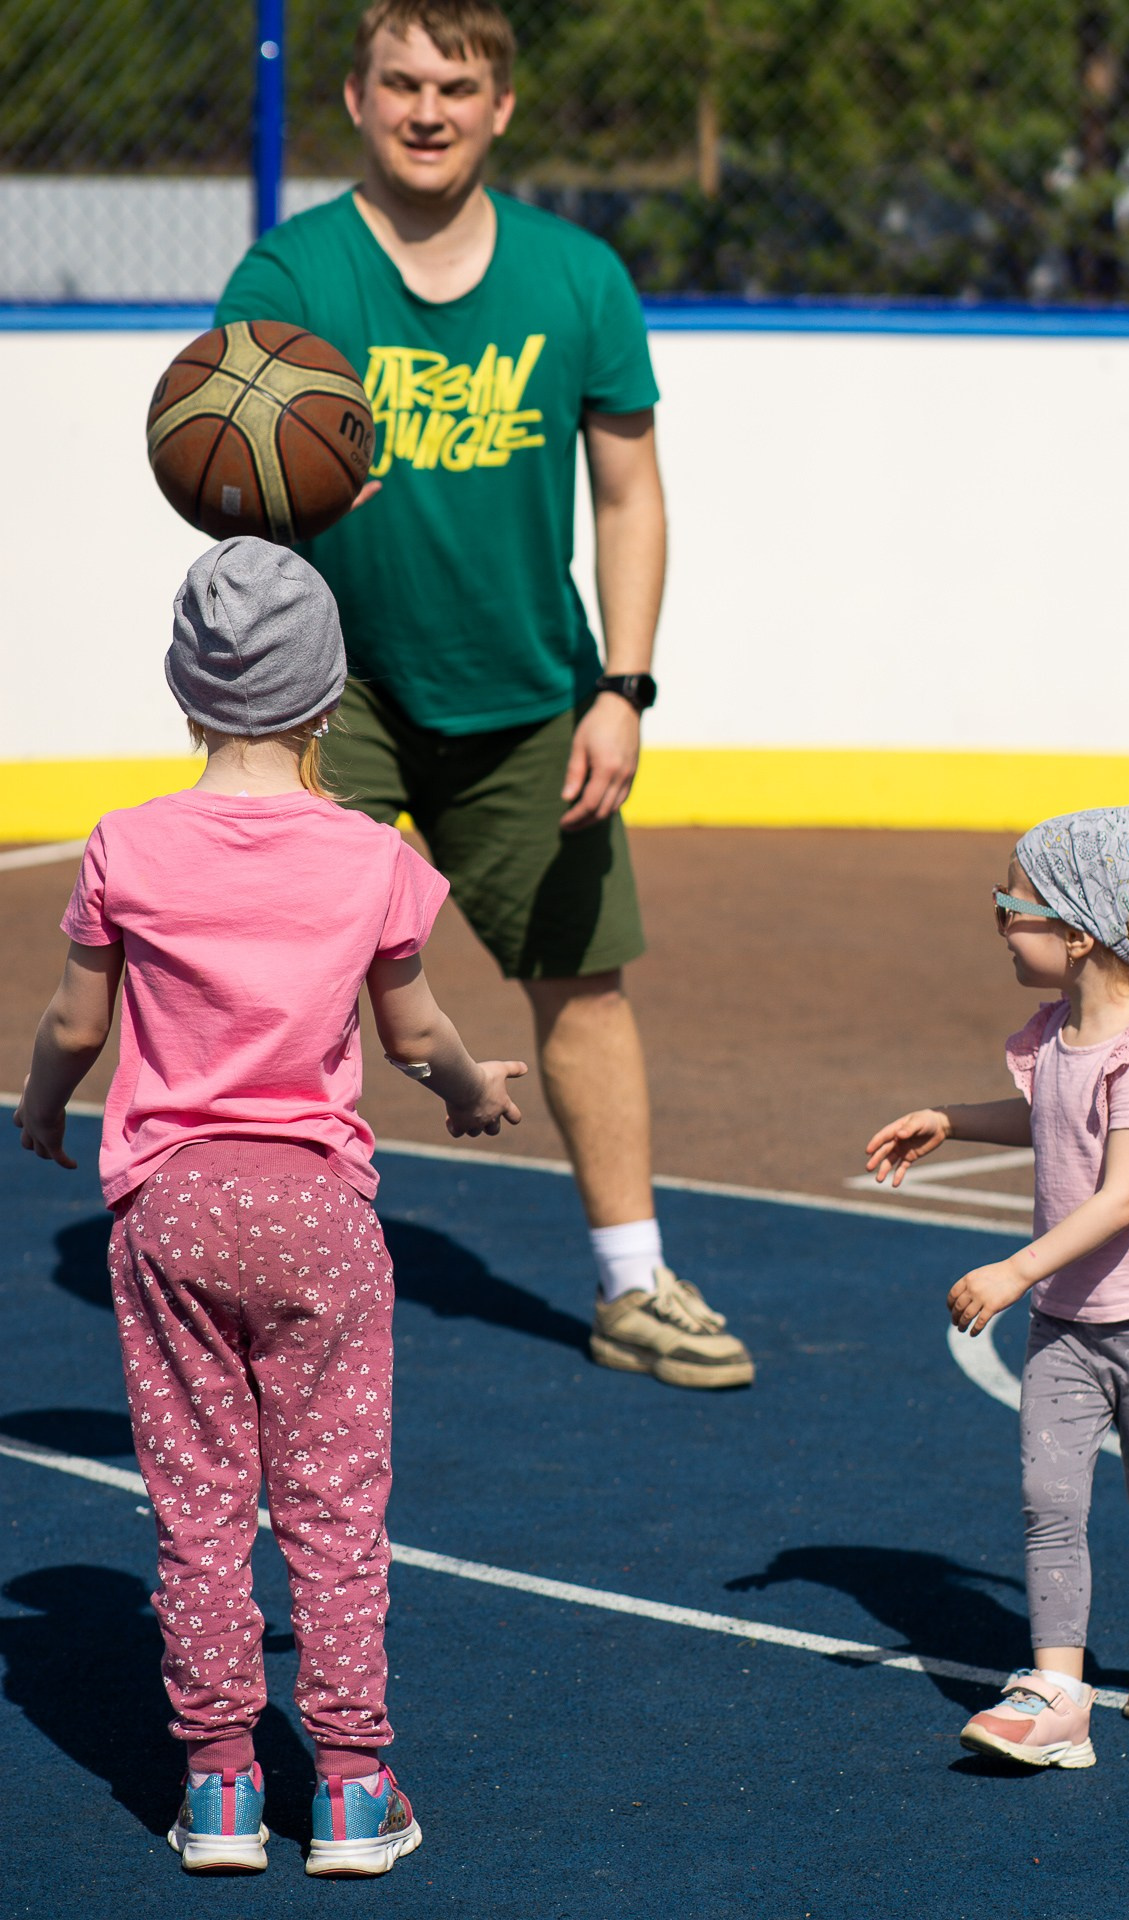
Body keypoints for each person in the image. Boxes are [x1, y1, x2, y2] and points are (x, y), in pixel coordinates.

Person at [214, 0, 753, 1390]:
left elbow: (628, 495)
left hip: (529, 695)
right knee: (281, 984)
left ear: (500, 106)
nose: (428, 110)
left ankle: (632, 1284)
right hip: (330, 695)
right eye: (401, 82)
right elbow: (221, 480)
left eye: (456, 87)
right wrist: (286, 498)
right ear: (355, 96)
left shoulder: (577, 278)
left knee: (582, 984)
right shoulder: (290, 273)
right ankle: (256, 1280)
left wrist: (623, 688)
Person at [14, 537, 527, 1875]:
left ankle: (220, 1789)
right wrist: (473, 1089)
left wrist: (43, 1105)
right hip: (318, 1215)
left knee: (197, 1508)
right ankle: (351, 1789)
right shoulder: (372, 855)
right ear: (331, 696)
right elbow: (414, 1033)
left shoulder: (126, 843)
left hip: (172, 1208)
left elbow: (75, 1021)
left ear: (185, 689)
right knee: (333, 1509)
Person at [865, 800, 1129, 1769]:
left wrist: (1015, 1267)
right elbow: (1048, 1117)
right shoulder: (1056, 1038)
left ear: (1077, 932)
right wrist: (951, 1119)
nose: (999, 922)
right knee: (1049, 1502)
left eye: (1011, 905)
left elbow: (1121, 1198)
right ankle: (1056, 1690)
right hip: (1066, 1327)